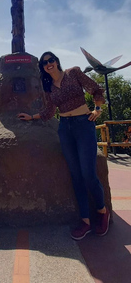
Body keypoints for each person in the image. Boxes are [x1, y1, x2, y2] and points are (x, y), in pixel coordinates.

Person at [18, 51, 109, 239]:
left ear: (57, 61)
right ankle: (85, 221)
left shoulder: (73, 73)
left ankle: (102, 212)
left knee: (88, 174)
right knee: (76, 176)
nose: (49, 64)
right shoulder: (48, 86)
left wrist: (98, 109)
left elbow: (96, 90)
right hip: (65, 129)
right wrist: (32, 117)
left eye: (51, 60)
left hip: (83, 124)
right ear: (42, 67)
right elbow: (50, 110)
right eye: (45, 63)